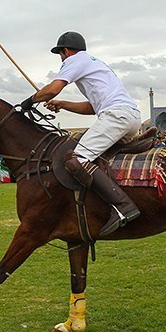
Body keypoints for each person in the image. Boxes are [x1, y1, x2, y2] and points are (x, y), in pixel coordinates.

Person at [19, 31, 141, 236]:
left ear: (65, 51)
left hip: (116, 116)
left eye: (60, 55)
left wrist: (31, 100)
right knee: (96, 158)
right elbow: (92, 108)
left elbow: (52, 89)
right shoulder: (95, 64)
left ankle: (123, 205)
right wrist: (63, 105)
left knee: (76, 160)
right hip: (129, 117)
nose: (61, 59)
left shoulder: (74, 60)